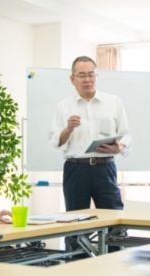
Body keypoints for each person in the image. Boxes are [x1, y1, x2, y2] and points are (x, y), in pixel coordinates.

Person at [49, 56, 131, 212]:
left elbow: (126, 134)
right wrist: (68, 129)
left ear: (96, 76)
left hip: (105, 167)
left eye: (91, 74)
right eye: (81, 75)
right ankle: (76, 238)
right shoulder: (63, 106)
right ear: (72, 79)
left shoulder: (113, 101)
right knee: (75, 222)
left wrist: (118, 147)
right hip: (76, 169)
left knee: (114, 218)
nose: (87, 79)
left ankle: (114, 237)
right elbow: (56, 141)